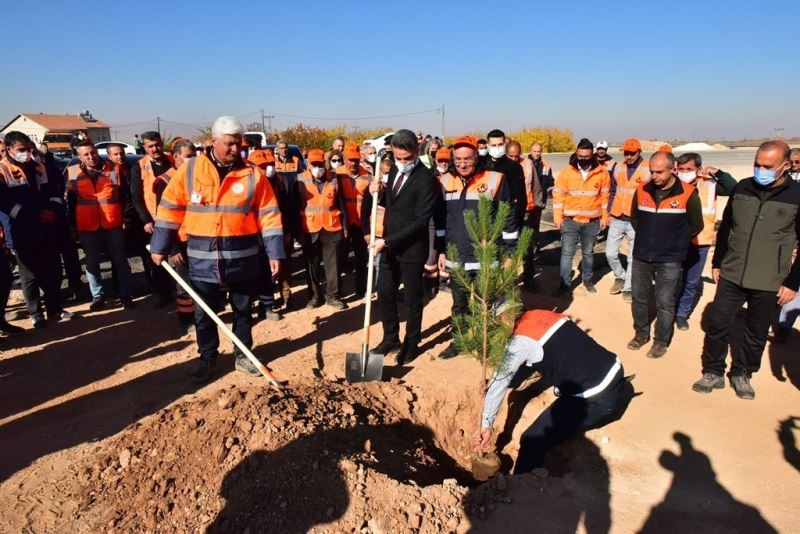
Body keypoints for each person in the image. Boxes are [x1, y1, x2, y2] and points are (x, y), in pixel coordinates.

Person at [150, 115, 284, 383]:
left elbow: (269, 214)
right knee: (203, 313)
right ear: (213, 141)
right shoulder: (189, 171)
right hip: (202, 259)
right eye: (229, 144)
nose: (236, 149)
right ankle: (207, 357)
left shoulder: (252, 174)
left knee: (243, 310)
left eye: (238, 144)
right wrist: (160, 245)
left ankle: (244, 355)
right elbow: (169, 209)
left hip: (242, 257)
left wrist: (275, 252)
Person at [692, 140, 800, 400]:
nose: (760, 169)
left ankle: (742, 373)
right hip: (732, 272)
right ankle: (713, 371)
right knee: (717, 322)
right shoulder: (742, 188)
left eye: (767, 166)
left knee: (756, 331)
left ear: (785, 166)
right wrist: (718, 262)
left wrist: (792, 283)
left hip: (769, 278)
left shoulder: (796, 195)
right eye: (756, 164)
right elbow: (727, 226)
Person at [474, 309, 628, 473]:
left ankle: (521, 484)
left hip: (596, 397)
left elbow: (502, 381)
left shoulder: (519, 343)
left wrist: (486, 425)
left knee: (532, 441)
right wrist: (492, 383)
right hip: (612, 369)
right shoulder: (538, 315)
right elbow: (527, 363)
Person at [437, 135, 519, 359]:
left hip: (486, 257)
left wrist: (510, 253)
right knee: (460, 305)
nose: (462, 164)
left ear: (477, 156)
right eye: (458, 159)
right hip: (456, 256)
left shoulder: (495, 179)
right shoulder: (444, 181)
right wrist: (440, 251)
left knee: (488, 304)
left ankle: (487, 344)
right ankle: (460, 341)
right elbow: (440, 221)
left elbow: (507, 218)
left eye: (467, 159)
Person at [369, 130, 439, 364]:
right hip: (388, 246)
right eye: (398, 158)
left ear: (416, 152)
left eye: (407, 159)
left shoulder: (427, 180)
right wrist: (377, 194)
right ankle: (390, 337)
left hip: (411, 248)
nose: (402, 163)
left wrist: (387, 241)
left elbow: (420, 222)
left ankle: (411, 342)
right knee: (385, 292)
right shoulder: (393, 170)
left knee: (412, 299)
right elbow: (393, 203)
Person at [626, 151, 703, 358]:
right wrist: (647, 238)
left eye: (659, 172)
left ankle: (661, 341)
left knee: (664, 301)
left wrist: (674, 244)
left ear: (673, 169)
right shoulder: (642, 190)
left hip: (669, 259)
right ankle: (641, 333)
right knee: (639, 297)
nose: (655, 176)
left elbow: (696, 225)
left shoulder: (687, 194)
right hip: (642, 255)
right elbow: (635, 219)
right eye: (652, 171)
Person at [0, 131, 73, 327]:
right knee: (30, 274)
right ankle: (35, 313)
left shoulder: (39, 167)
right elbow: (7, 204)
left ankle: (55, 309)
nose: (26, 153)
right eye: (21, 150)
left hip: (48, 226)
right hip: (23, 230)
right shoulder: (2, 171)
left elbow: (54, 192)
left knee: (54, 270)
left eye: (29, 149)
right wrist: (35, 216)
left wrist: (54, 211)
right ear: (8, 149)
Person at [66, 142, 135, 310]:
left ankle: (126, 295)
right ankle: (97, 296)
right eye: (86, 155)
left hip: (112, 223)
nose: (91, 157)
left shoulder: (112, 169)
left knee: (120, 261)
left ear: (97, 152)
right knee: (92, 263)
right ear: (79, 157)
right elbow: (70, 202)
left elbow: (126, 195)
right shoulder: (73, 172)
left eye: (93, 153)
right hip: (87, 225)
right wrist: (73, 227)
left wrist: (126, 218)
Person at [673, 153, 737, 331]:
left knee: (691, 281)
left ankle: (681, 314)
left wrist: (720, 174)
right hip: (675, 240)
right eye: (681, 169)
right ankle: (668, 310)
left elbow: (734, 189)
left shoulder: (710, 183)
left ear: (698, 169)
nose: (684, 173)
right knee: (671, 278)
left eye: (689, 169)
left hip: (700, 241)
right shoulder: (672, 183)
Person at [552, 138, 610, 295]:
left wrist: (605, 217)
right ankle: (564, 283)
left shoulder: (602, 173)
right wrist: (558, 217)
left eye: (587, 156)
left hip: (592, 222)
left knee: (588, 253)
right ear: (576, 154)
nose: (583, 159)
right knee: (566, 254)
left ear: (593, 155)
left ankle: (587, 280)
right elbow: (558, 196)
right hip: (570, 221)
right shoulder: (567, 172)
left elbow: (605, 198)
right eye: (580, 156)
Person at [129, 131, 174, 306]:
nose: (155, 148)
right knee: (157, 259)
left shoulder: (173, 160)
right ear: (144, 147)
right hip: (154, 222)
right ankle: (163, 293)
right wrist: (146, 219)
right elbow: (136, 196)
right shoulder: (139, 166)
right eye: (150, 146)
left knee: (179, 256)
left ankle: (183, 292)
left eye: (157, 144)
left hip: (176, 218)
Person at [298, 149, 346, 309]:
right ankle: (314, 297)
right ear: (308, 164)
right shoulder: (300, 180)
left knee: (334, 266)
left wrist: (344, 227)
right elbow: (295, 207)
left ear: (325, 164)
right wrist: (298, 231)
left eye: (320, 164)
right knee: (312, 266)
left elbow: (341, 204)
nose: (318, 167)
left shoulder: (334, 179)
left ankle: (333, 296)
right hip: (310, 229)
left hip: (332, 228)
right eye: (314, 164)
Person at [606, 138, 650, 302]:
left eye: (632, 153)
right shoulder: (619, 167)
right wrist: (609, 210)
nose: (629, 156)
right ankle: (621, 276)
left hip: (636, 220)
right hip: (617, 216)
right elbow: (612, 190)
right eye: (626, 153)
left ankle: (628, 287)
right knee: (610, 253)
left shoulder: (647, 169)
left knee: (633, 257)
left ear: (639, 152)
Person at [163, 139, 198, 333]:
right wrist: (173, 247)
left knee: (199, 280)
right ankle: (187, 319)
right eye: (188, 156)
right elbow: (165, 218)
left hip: (196, 238)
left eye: (194, 156)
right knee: (184, 284)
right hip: (179, 241)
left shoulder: (195, 177)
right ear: (176, 157)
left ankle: (201, 315)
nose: (192, 160)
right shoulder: (165, 181)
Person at [246, 149, 282, 321]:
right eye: (262, 166)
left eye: (268, 165)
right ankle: (247, 307)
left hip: (268, 237)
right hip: (247, 238)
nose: (266, 169)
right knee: (246, 276)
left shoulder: (277, 183)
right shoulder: (245, 185)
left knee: (267, 274)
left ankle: (267, 306)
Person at [338, 143, 371, 297]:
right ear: (345, 158)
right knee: (339, 258)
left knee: (361, 259)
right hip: (343, 223)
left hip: (361, 224)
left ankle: (361, 288)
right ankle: (336, 291)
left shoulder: (368, 175)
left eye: (356, 160)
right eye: (350, 159)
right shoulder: (337, 174)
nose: (353, 163)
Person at [519, 143, 548, 289]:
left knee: (527, 247)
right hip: (508, 214)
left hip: (527, 211)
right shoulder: (502, 165)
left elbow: (536, 187)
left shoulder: (528, 165)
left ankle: (529, 279)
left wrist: (538, 206)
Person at [485, 129, 527, 227]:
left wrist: (517, 225)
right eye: (494, 145)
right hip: (485, 219)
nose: (497, 148)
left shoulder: (514, 167)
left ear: (505, 145)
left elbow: (521, 199)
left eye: (500, 144)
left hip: (506, 219)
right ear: (488, 146)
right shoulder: (482, 165)